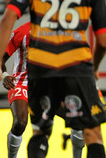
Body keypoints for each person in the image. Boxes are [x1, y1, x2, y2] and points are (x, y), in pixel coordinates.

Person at [0, 0, 106, 158]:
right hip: (77, 67)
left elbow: (8, 19)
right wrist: (96, 69)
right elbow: (102, 41)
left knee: (40, 131)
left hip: (41, 67)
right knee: (91, 133)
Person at [1, 22, 85, 158]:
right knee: (20, 123)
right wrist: (4, 75)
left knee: (77, 120)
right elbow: (1, 57)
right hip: (22, 83)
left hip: (48, 85)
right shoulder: (22, 32)